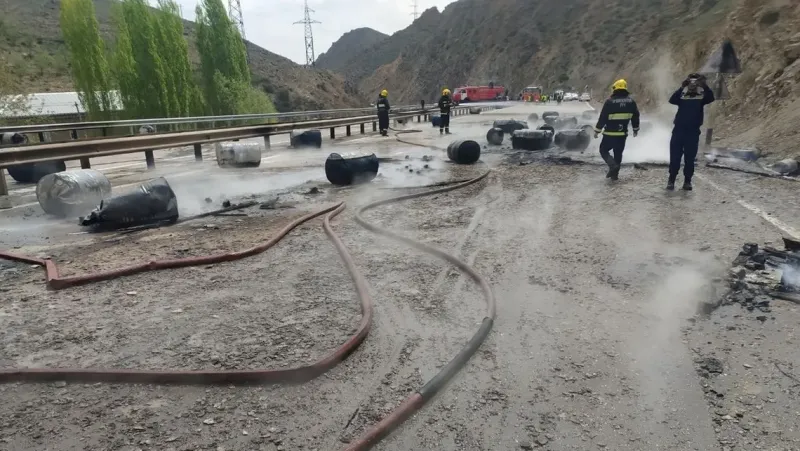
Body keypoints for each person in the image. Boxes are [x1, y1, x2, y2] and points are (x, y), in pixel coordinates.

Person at [667, 73, 715, 191]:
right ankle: (671, 180)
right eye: (691, 81)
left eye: (695, 81)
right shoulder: (682, 94)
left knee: (690, 158)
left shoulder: (701, 95)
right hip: (679, 130)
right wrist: (682, 87)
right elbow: (672, 100)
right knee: (675, 158)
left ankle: (687, 181)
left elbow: (711, 98)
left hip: (693, 131)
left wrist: (704, 86)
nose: (693, 84)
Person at [593, 79, 640, 181]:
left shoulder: (609, 102)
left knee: (603, 150)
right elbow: (635, 117)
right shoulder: (631, 102)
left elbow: (603, 118)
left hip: (609, 134)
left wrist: (597, 131)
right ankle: (615, 175)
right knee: (618, 153)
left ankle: (612, 166)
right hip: (622, 134)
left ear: (615, 89)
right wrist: (635, 129)